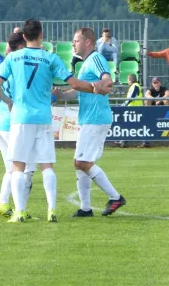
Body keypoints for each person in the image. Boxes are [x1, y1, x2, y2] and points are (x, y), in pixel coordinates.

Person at [0, 20, 108, 223]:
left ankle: (19, 211)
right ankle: (52, 210)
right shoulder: (50, 58)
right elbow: (74, 84)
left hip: (21, 118)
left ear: (24, 36)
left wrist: (9, 102)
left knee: (18, 166)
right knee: (47, 166)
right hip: (44, 118)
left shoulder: (12, 58)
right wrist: (95, 87)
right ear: (41, 35)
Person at [52, 27, 126, 217]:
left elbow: (107, 80)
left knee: (83, 162)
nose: (72, 44)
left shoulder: (96, 58)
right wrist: (61, 95)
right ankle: (86, 208)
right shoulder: (85, 63)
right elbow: (78, 92)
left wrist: (102, 84)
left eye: (76, 41)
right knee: (78, 163)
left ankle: (115, 197)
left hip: (96, 118)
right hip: (89, 118)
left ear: (87, 42)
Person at [0, 32, 27, 217]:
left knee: (11, 168)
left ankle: (3, 202)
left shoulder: (4, 64)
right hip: (12, 123)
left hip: (0, 122)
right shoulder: (18, 66)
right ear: (21, 47)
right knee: (21, 169)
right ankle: (20, 208)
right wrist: (10, 102)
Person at [116, 74, 146, 148]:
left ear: (130, 80)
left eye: (128, 80)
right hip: (133, 108)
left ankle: (146, 142)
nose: (128, 81)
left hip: (135, 109)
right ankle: (123, 142)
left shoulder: (135, 86)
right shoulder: (134, 86)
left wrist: (124, 104)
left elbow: (132, 97)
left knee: (137, 126)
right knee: (129, 125)